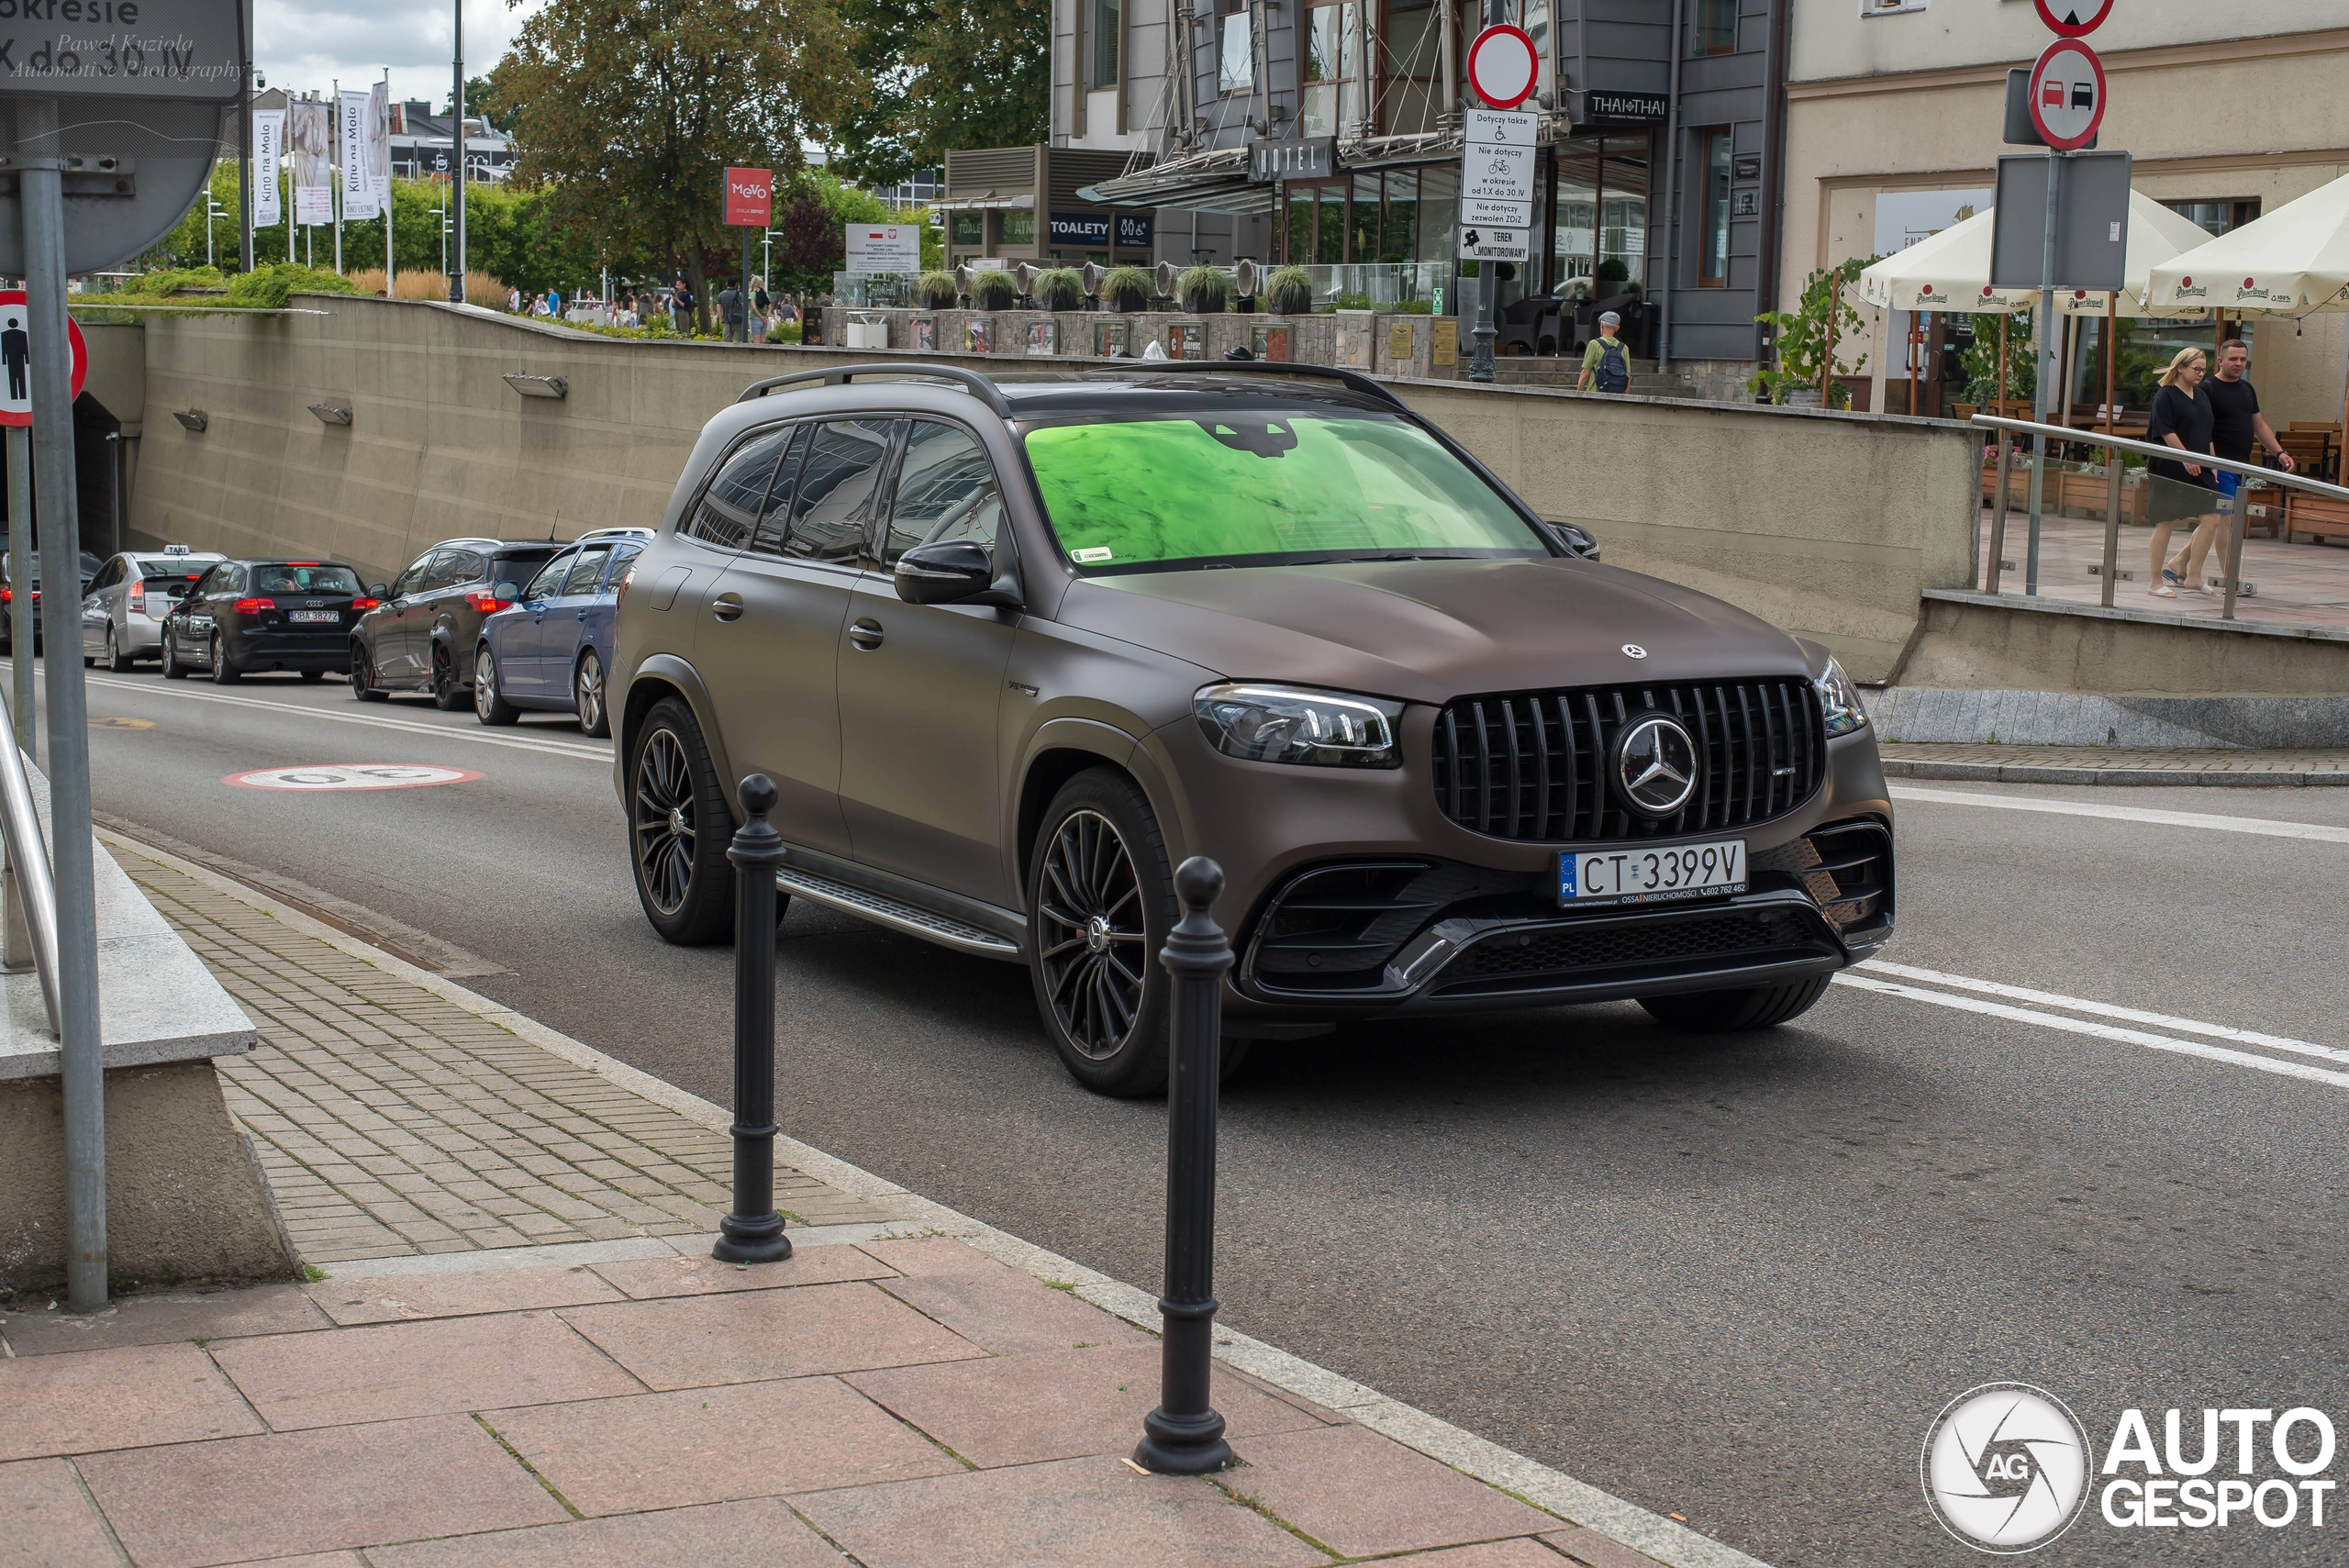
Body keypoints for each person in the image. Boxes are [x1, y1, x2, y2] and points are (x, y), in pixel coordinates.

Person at [2143, 347, 2221, 598]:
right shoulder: (2165, 396)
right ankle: (2155, 581)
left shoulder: (2201, 396)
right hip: (2170, 465)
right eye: (2195, 369)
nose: (2200, 374)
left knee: (2212, 518)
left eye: (2203, 369)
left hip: (2199, 464)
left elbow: (2207, 431)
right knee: (2167, 521)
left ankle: (2193, 576)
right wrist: (2184, 456)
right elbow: (2166, 431)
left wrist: (2212, 461)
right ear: (2181, 368)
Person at [1579, 310, 1630, 394]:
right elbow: (1627, 375)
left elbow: (1585, 372)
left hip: (1595, 393)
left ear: (1601, 325)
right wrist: (1625, 397)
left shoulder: (1594, 344)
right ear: (1617, 328)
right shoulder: (1624, 347)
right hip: (1616, 394)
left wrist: (1579, 393)